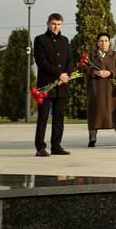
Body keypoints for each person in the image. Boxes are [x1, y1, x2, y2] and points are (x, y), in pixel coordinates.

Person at [33, 13, 75, 156]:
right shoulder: (40, 40)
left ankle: (56, 146)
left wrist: (66, 75)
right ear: (48, 24)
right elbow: (41, 62)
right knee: (43, 117)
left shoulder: (65, 40)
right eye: (53, 23)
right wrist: (59, 74)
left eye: (58, 24)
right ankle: (40, 147)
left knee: (59, 117)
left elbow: (70, 60)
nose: (56, 26)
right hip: (46, 85)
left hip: (61, 85)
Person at [85, 33, 116, 146]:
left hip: (112, 90)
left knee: (115, 113)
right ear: (97, 43)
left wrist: (110, 73)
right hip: (96, 90)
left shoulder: (115, 54)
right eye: (101, 41)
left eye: (106, 41)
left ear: (109, 42)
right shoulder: (91, 55)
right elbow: (84, 68)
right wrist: (94, 72)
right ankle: (92, 139)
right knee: (94, 113)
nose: (103, 43)